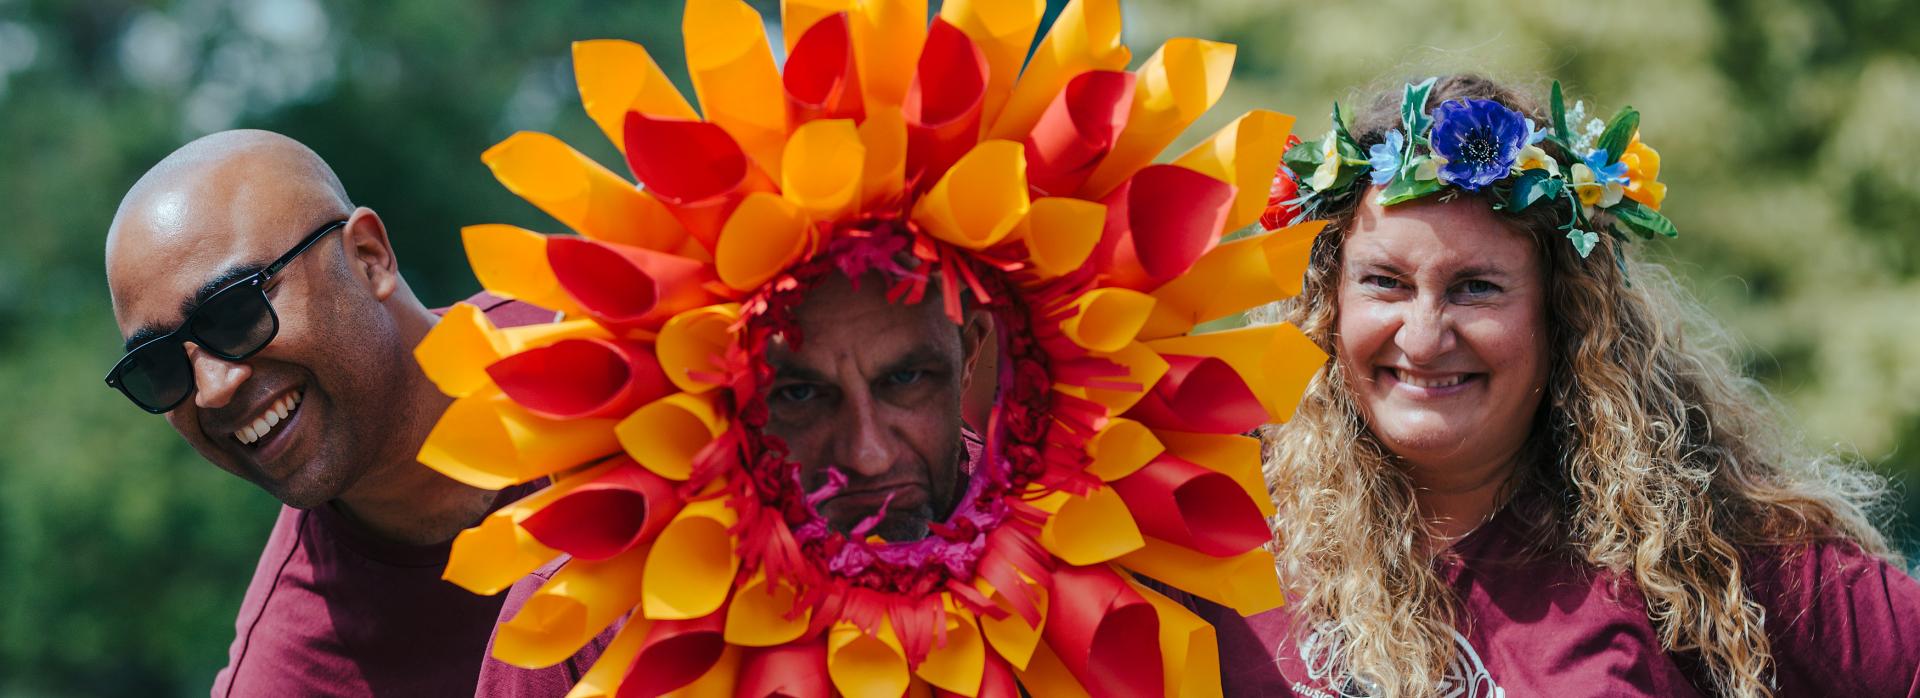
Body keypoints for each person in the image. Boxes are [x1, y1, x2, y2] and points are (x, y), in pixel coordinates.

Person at [1205, 74, 1920, 697]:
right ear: (1329, 301)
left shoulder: (1704, 551)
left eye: (1476, 288)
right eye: (1384, 283)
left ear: (1564, 316)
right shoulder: (1204, 513)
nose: (1423, 337)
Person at [103, 129, 556, 696]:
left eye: (235, 311)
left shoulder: (634, 320)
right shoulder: (292, 677)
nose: (211, 390)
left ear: (369, 258)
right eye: (163, 366)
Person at [473, 268, 991, 695]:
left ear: (968, 354)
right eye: (801, 393)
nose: (869, 455)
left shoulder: (1061, 554)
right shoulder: (581, 620)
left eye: (905, 379)